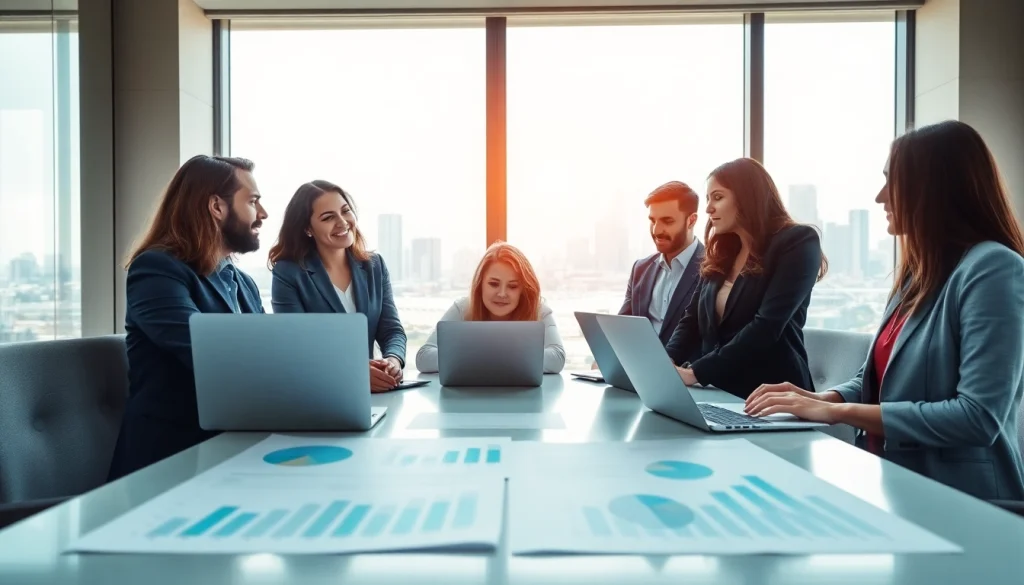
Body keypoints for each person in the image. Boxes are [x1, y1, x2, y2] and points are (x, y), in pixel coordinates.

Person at [745, 120, 1024, 501]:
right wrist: (822, 400)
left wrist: (839, 415)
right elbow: (876, 381)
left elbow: (976, 417)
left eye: (892, 181)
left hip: (964, 501)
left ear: (933, 188)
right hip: (894, 485)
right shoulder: (917, 275)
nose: (880, 197)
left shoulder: (993, 269)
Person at [108, 155, 268, 480]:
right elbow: (214, 357)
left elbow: (268, 353)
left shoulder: (243, 283)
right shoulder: (156, 270)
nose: (263, 214)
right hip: (171, 464)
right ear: (216, 207)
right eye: (253, 202)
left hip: (233, 452)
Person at [665, 158, 827, 398]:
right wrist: (665, 361)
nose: (708, 208)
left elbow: (766, 327)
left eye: (717, 197)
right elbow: (692, 320)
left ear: (747, 197)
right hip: (716, 392)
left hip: (770, 397)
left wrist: (697, 373)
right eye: (708, 199)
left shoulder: (798, 242)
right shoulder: (723, 252)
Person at [268, 180, 407, 392]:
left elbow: (392, 330)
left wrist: (393, 360)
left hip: (375, 392)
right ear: (307, 228)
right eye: (328, 217)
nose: (342, 222)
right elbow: (295, 347)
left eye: (345, 211)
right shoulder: (289, 273)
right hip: (321, 392)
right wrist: (354, 372)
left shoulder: (374, 266)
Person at [415, 241, 565, 374]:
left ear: (523, 290)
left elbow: (557, 357)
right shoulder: (463, 308)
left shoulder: (539, 310)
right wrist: (498, 358)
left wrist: (480, 358)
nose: (502, 293)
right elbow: (424, 357)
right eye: (493, 284)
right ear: (480, 285)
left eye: (512, 286)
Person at [616, 181, 705, 347]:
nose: (657, 230)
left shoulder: (713, 269)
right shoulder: (640, 269)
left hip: (685, 370)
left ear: (691, 221)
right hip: (640, 367)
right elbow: (621, 328)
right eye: (652, 220)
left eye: (667, 221)